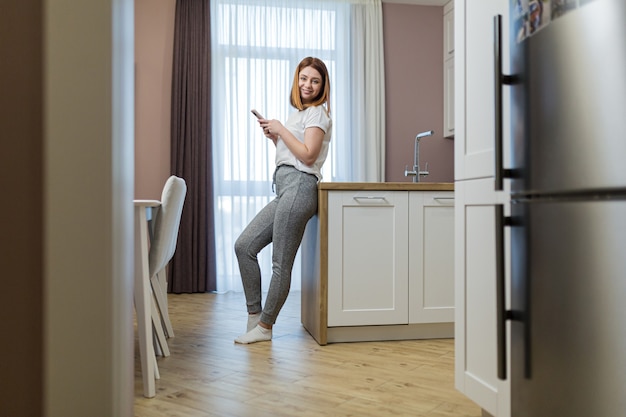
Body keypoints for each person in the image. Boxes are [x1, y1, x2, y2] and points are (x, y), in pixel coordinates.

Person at [233, 57, 332, 344]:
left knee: (280, 263)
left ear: (323, 85)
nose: (307, 85)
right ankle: (255, 317)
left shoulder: (318, 114)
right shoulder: (298, 115)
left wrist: (280, 129)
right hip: (285, 187)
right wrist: (274, 136)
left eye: (315, 80)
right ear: (296, 80)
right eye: (303, 78)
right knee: (244, 246)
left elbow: (309, 155)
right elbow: (292, 151)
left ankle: (265, 327)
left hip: (301, 187)